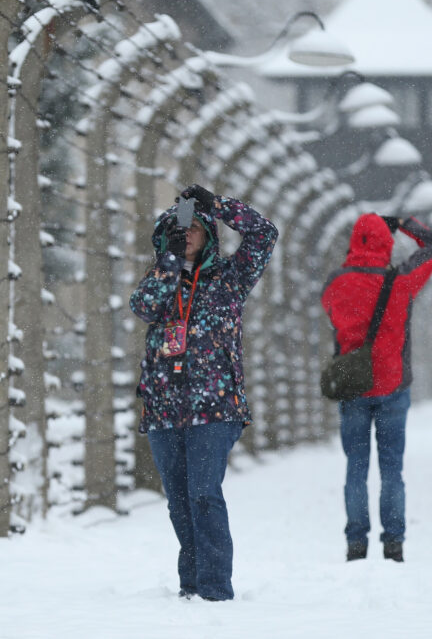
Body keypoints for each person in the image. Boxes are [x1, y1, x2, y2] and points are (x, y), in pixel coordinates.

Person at [130, 183, 277, 601]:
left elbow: (264, 234)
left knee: (203, 493)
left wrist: (218, 205)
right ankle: (190, 583)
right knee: (178, 499)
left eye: (197, 226)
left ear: (210, 233)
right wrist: (169, 262)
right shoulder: (159, 280)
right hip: (163, 407)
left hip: (214, 408)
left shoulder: (230, 278)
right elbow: (142, 307)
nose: (189, 233)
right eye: (181, 229)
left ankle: (215, 587)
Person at [320, 213, 432, 563]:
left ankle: (356, 543)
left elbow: (332, 313)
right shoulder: (401, 280)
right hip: (392, 385)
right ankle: (394, 543)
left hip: (353, 387)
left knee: (355, 469)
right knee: (392, 469)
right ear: (386, 243)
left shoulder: (336, 282)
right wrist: (405, 222)